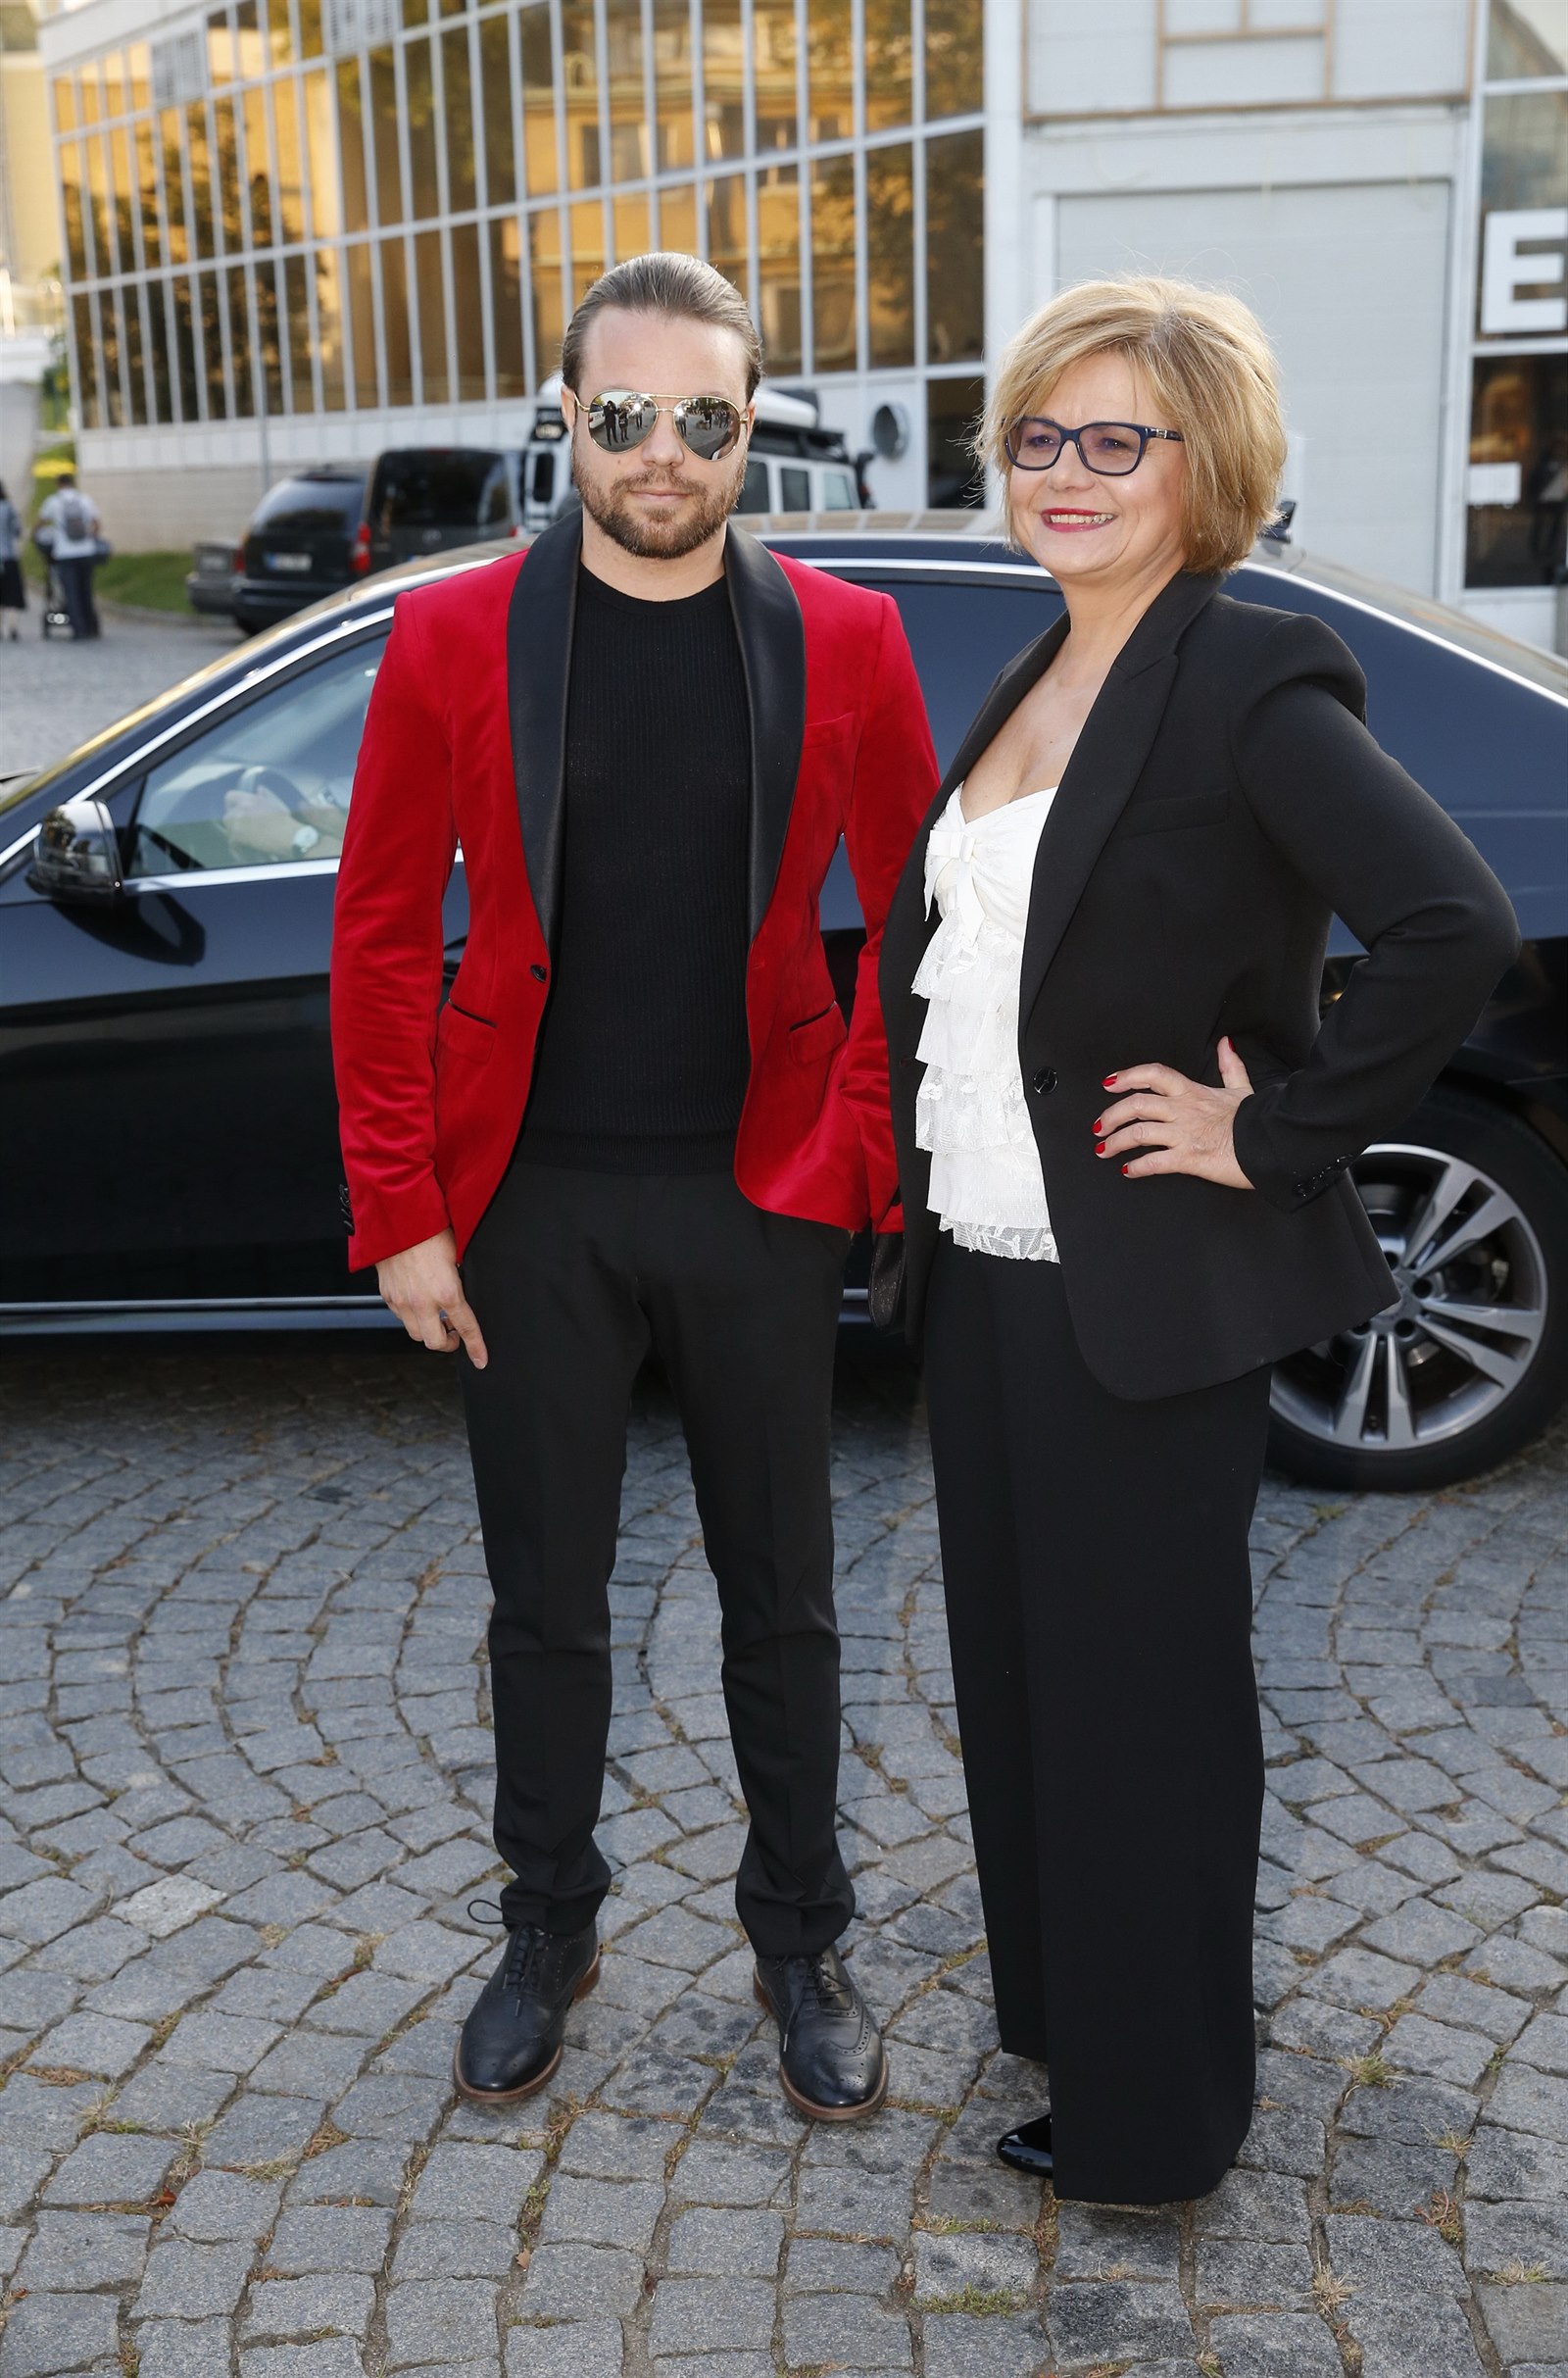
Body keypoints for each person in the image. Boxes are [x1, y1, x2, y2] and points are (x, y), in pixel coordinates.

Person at [879, 275, 1519, 2207]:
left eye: (1114, 438)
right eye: (1037, 435)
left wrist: (1273, 1133)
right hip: (988, 1263)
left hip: (1140, 1284)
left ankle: (1154, 2126)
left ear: (1205, 463)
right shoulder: (1036, 663)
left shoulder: (1246, 673)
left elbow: (1451, 925)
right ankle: (1073, 2020)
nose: (1063, 471)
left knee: (1139, 1707)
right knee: (1018, 1674)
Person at [332, 253, 938, 2118]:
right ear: (565, 422)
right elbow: (378, 936)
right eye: (621, 414)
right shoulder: (449, 638)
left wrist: (855, 1156)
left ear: (752, 428)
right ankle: (549, 1922)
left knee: (787, 1597)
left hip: (762, 1193)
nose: (661, 451)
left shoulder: (847, 638)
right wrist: (404, 1209)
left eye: (702, 417)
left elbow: (918, 923)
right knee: (545, 1599)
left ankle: (801, 1936)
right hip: (528, 1205)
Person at [37, 471, 102, 640]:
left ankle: (78, 629)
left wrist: (38, 537)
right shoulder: (85, 500)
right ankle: (91, 627)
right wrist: (89, 538)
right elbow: (96, 524)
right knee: (86, 590)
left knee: (71, 592)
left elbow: (40, 523)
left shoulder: (53, 501)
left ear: (58, 484)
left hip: (65, 553)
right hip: (86, 551)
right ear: (73, 483)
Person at [0, 482, 24, 640]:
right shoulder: (8, 508)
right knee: (12, 595)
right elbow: (17, 530)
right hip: (8, 556)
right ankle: (13, 626)